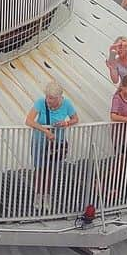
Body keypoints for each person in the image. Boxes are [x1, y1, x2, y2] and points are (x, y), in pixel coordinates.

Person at [25, 80, 79, 213]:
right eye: (47, 97)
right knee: (39, 168)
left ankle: (47, 195)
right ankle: (38, 195)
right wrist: (45, 131)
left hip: (56, 143)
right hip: (40, 140)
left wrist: (66, 123)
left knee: (50, 169)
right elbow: (29, 120)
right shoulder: (40, 102)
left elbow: (75, 119)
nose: (48, 100)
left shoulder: (67, 104)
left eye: (52, 98)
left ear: (59, 97)